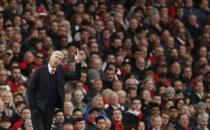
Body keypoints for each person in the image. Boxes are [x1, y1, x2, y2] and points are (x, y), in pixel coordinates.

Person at [28, 50, 81, 130]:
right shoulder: (39, 71)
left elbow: (76, 76)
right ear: (51, 58)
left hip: (50, 108)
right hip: (38, 107)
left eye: (59, 59)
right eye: (56, 57)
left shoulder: (61, 71)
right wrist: (33, 107)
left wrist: (78, 62)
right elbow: (31, 90)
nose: (57, 60)